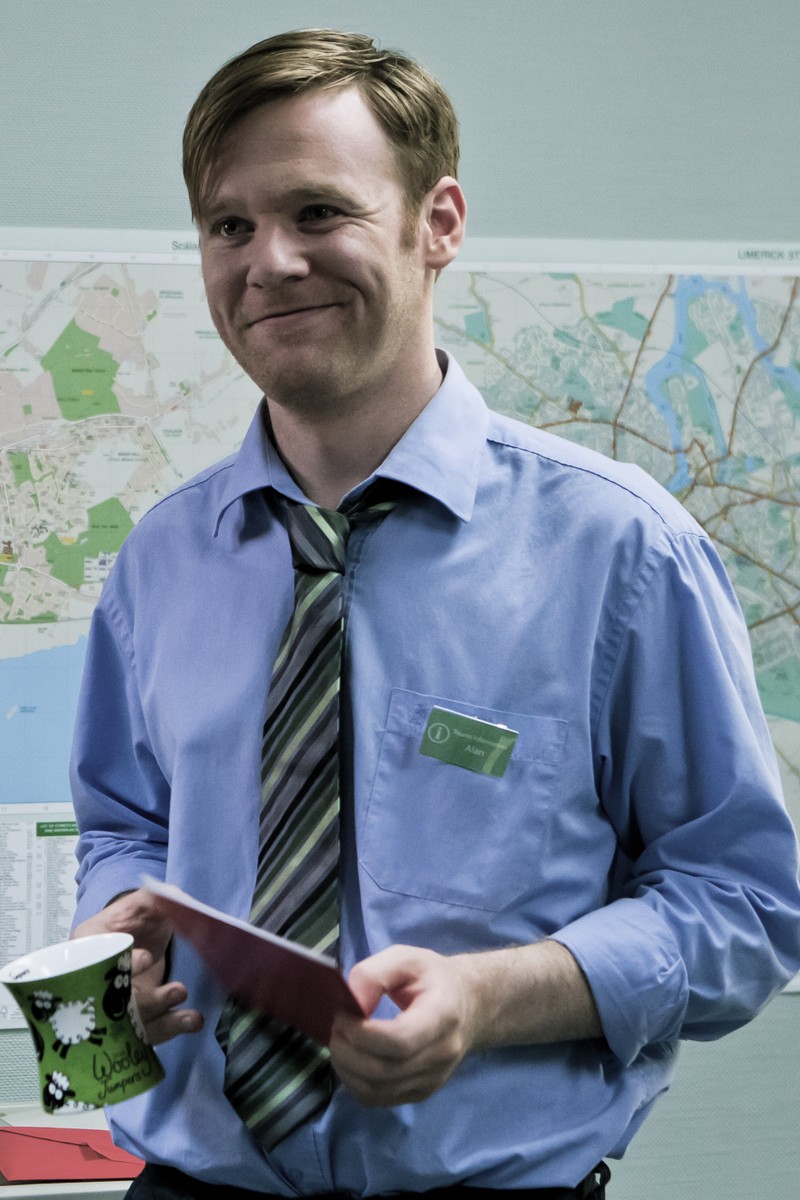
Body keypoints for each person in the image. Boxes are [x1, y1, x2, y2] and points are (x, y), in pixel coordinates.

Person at [70, 27, 800, 1200]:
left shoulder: (622, 550)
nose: (269, 262)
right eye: (228, 225)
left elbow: (745, 908)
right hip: (189, 1184)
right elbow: (124, 827)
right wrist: (118, 933)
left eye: (318, 212)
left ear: (438, 222)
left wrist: (489, 999)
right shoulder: (162, 558)